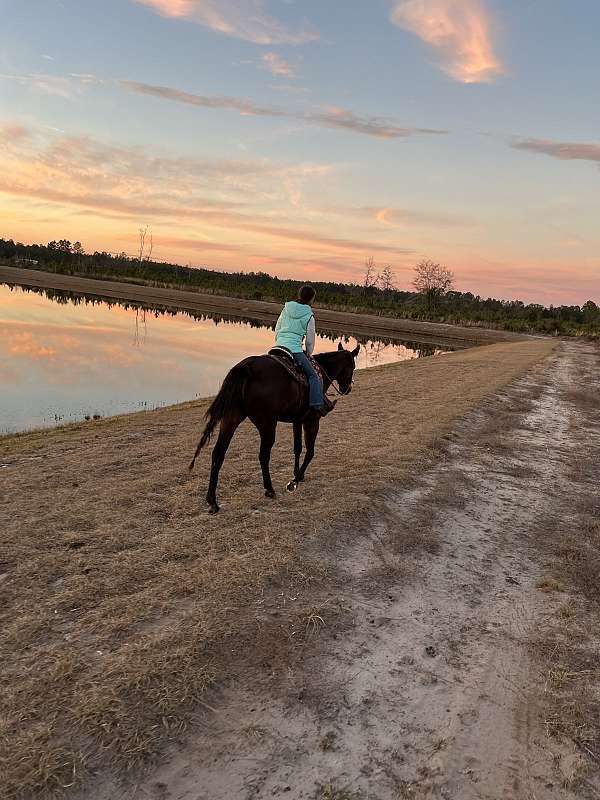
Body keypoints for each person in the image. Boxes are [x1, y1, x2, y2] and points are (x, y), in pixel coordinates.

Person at [274, 285, 334, 416]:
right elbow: (310, 340)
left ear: (299, 294)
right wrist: (308, 353)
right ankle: (317, 405)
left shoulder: (286, 308)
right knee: (313, 376)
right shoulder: (309, 316)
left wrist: (279, 342)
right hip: (294, 349)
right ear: (311, 299)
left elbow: (277, 328)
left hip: (278, 346)